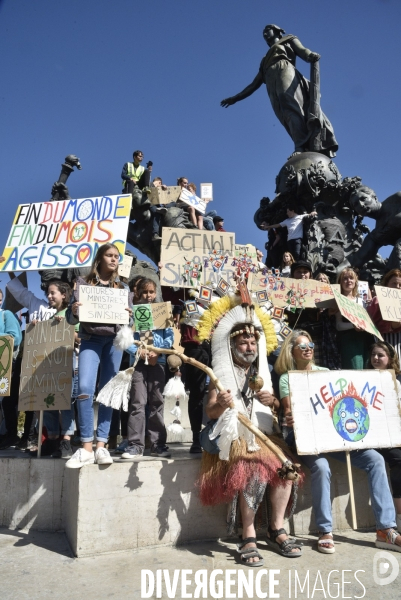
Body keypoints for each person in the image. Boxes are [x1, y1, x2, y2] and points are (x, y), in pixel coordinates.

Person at [197, 292, 302, 565]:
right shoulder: (218, 373)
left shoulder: (262, 374)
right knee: (254, 467)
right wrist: (221, 403)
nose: (249, 346)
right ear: (232, 346)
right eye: (243, 341)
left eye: (253, 340)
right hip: (233, 438)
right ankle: (249, 533)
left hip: (264, 435)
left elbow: (276, 409)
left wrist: (274, 402)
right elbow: (210, 412)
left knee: (286, 467)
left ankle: (277, 529)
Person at [276, 329, 401, 553]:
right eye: (302, 347)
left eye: (311, 346)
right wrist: (290, 416)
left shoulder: (325, 372)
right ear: (291, 352)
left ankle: (386, 530)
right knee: (322, 468)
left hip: (335, 436)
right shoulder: (287, 378)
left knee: (375, 459)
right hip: (307, 438)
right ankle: (325, 530)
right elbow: (288, 410)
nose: (308, 350)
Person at [221, 24, 338, 157]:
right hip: (271, 83)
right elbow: (254, 84)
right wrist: (235, 98)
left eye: (267, 31)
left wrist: (310, 55)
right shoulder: (265, 61)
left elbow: (302, 50)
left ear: (276, 31)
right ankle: (300, 145)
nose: (265, 34)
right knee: (284, 114)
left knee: (289, 103)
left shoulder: (288, 39)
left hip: (285, 70)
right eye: (263, 33)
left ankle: (300, 146)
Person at [66, 243, 132, 468]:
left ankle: (101, 445)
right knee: (84, 387)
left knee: (108, 392)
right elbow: (71, 319)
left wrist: (129, 317)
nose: (114, 260)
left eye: (116, 256)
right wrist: (74, 310)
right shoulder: (83, 284)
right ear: (100, 258)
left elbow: (130, 323)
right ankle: (86, 447)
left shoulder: (123, 287)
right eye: (109, 255)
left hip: (113, 343)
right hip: (90, 339)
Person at [122, 278, 173, 458]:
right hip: (137, 364)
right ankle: (135, 445)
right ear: (138, 293)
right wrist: (139, 352)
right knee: (137, 402)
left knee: (157, 402)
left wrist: (158, 353)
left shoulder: (162, 312)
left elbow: (170, 337)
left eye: (151, 292)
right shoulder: (132, 313)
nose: (148, 296)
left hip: (157, 362)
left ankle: (158, 444)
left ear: (156, 293)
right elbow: (125, 338)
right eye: (145, 292)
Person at [367, 341, 401, 532]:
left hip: (390, 433)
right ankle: (396, 517)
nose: (376, 358)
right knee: (394, 459)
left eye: (381, 355)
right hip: (370, 435)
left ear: (390, 359)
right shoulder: (361, 378)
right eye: (373, 355)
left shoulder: (394, 382)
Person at [335, 267, 373, 369]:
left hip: (364, 340)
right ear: (340, 282)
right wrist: (353, 325)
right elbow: (338, 325)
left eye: (351, 278)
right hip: (349, 342)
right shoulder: (338, 300)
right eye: (345, 278)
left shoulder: (361, 301)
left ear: (355, 281)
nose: (349, 281)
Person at [0, 290, 23, 451]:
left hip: (4, 365)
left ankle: (9, 434)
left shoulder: (6, 314)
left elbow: (14, 337)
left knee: (4, 402)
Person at [367, 269, 401, 362]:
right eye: (394, 283)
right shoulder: (377, 301)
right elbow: (371, 324)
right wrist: (390, 326)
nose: (397, 287)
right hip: (383, 344)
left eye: (400, 285)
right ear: (387, 284)